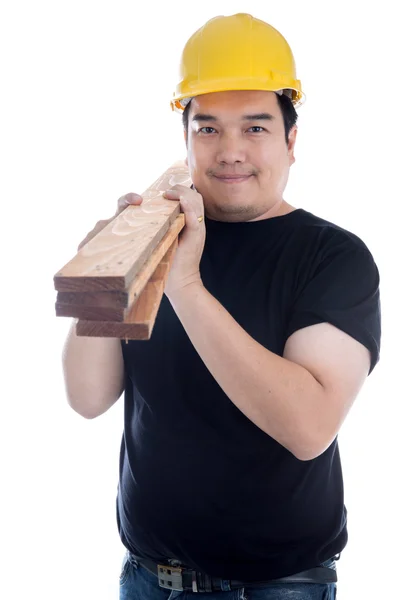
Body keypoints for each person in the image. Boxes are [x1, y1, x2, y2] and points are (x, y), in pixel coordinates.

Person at [62, 13, 381, 600]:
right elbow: (87, 398)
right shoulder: (155, 239)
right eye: (208, 129)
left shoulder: (333, 258)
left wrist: (185, 285)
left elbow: (308, 427)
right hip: (147, 579)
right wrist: (103, 277)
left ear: (291, 140)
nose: (230, 151)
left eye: (255, 128)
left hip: (278, 587)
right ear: (186, 140)